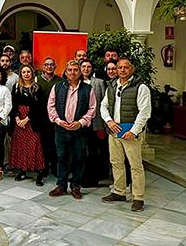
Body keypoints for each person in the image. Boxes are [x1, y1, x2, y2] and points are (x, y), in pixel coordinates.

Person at [100, 57, 152, 212]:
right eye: (119, 67)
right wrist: (109, 121)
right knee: (116, 162)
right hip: (114, 131)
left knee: (135, 166)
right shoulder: (112, 86)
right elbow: (103, 106)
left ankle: (138, 198)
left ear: (132, 69)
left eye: (126, 67)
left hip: (130, 132)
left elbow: (145, 112)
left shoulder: (141, 88)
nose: (122, 70)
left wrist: (134, 131)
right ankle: (119, 192)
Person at [47, 60, 97, 199]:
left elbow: (92, 109)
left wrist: (80, 123)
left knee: (79, 157)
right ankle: (61, 186)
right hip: (61, 129)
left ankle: (76, 186)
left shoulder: (88, 89)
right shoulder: (57, 87)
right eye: (70, 70)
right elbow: (51, 106)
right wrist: (59, 121)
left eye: (75, 70)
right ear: (66, 72)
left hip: (79, 130)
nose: (72, 72)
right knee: (61, 157)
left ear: (80, 72)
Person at [9, 64, 46, 186]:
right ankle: (22, 170)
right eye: (23, 72)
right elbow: (13, 104)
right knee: (21, 146)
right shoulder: (16, 87)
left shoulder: (37, 88)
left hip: (33, 121)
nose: (26, 74)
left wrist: (27, 119)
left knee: (35, 146)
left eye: (28, 72)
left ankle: (39, 172)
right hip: (19, 121)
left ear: (32, 73)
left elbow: (40, 106)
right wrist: (17, 118)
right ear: (20, 74)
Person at [81, 59, 109, 188]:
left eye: (88, 67)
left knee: (94, 151)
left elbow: (104, 103)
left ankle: (94, 178)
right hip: (80, 123)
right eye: (83, 66)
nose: (86, 69)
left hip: (95, 122)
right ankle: (81, 176)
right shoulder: (76, 82)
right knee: (81, 151)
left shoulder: (99, 82)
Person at [36, 57, 61, 180]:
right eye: (46, 64)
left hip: (56, 116)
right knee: (43, 143)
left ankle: (55, 167)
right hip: (41, 116)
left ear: (55, 67)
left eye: (51, 65)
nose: (49, 67)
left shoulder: (60, 81)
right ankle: (44, 167)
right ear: (43, 67)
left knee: (55, 143)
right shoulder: (37, 80)